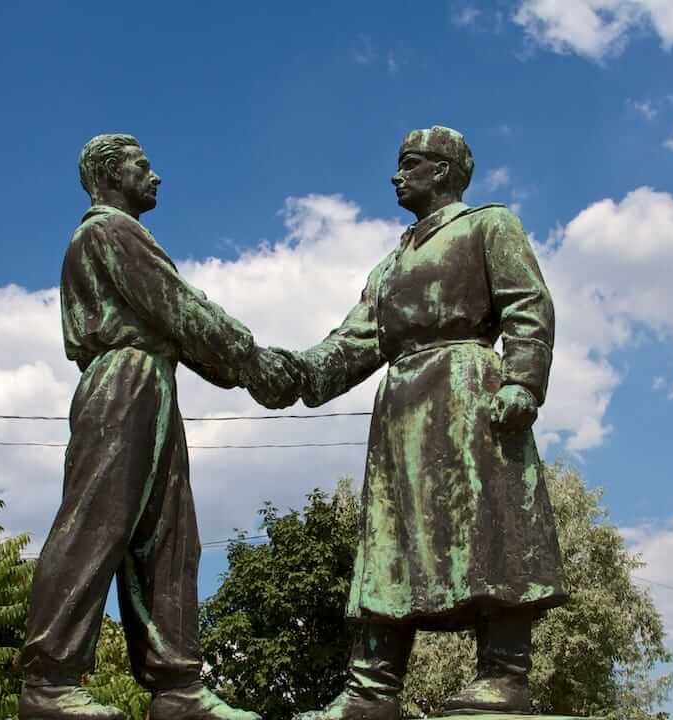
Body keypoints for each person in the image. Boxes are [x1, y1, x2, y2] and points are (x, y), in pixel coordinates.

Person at [17, 133, 298, 720]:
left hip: (153, 379)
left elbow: (177, 328)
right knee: (95, 524)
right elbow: (179, 307)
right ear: (110, 173)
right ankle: (49, 680)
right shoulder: (107, 231)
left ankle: (176, 688)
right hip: (121, 382)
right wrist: (252, 362)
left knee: (170, 534)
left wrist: (239, 368)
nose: (157, 176)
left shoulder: (121, 234)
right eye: (143, 166)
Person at [291, 126, 567, 720]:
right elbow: (352, 343)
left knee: (493, 527)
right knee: (389, 540)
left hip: (469, 394)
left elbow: (528, 304)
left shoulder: (489, 225)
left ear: (442, 171)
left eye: (408, 163)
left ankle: (505, 676)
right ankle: (372, 689)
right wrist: (284, 372)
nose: (396, 175)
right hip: (401, 411)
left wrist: (522, 380)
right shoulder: (389, 266)